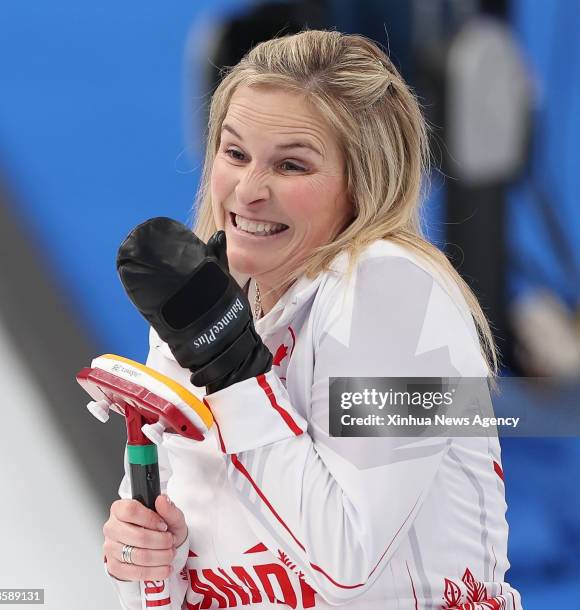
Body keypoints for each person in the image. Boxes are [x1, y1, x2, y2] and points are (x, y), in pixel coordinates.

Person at [102, 30, 522, 609]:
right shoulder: (205, 308)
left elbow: (346, 561)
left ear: (363, 181)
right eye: (235, 153)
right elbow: (174, 566)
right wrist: (141, 556)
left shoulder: (400, 294)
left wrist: (233, 371)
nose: (248, 190)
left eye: (292, 165)